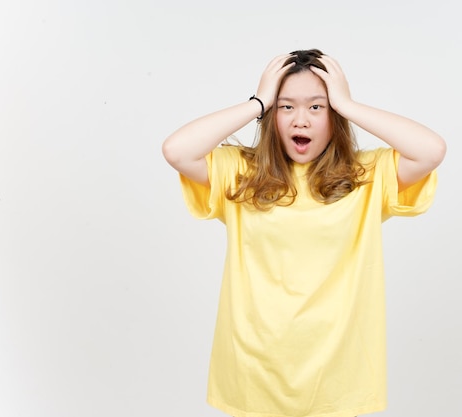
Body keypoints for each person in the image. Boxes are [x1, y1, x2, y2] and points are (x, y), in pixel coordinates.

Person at [162, 49, 446, 417]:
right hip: (254, 370)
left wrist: (346, 103)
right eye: (286, 107)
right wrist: (258, 101)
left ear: (335, 117)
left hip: (338, 377)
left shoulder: (366, 176)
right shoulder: (241, 173)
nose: (302, 120)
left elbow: (431, 150)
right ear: (271, 116)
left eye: (316, 107)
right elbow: (176, 150)